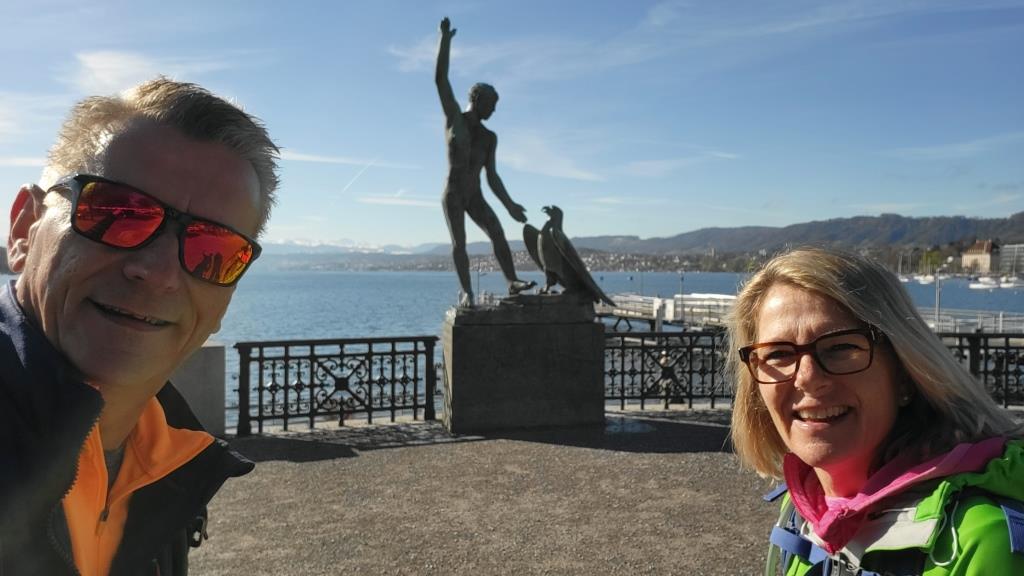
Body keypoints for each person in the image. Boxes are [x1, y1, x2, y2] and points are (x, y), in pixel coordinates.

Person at [0, 77, 278, 575]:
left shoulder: (166, 457)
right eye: (117, 213)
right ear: (24, 228)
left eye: (213, 250)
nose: (159, 272)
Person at [728, 247, 1024, 575]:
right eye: (778, 354)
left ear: (905, 372)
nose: (807, 378)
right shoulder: (802, 509)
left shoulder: (983, 540)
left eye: (841, 346)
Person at [436, 17, 536, 307]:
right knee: (459, 243)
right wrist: (445, 40)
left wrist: (510, 205)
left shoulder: (489, 137)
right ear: (477, 99)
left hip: (475, 194)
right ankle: (468, 293)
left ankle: (512, 281)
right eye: (491, 104)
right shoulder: (455, 119)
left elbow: (492, 177)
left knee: (498, 232)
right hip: (454, 193)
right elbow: (440, 79)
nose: (493, 110)